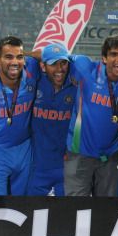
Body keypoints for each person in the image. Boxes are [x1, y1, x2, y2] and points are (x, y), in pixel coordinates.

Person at [63, 36, 118, 197]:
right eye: (113, 54)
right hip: (79, 154)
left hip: (110, 157)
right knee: (75, 210)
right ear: (104, 58)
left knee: (106, 211)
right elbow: (54, 55)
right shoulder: (85, 67)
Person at [0, 36, 39, 195]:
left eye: (19, 57)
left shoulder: (31, 70)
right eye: (8, 57)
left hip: (24, 150)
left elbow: (46, 54)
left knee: (20, 207)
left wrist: (24, 53)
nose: (15, 62)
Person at [26, 43, 76, 196]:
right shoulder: (35, 80)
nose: (60, 69)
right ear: (43, 66)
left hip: (66, 166)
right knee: (31, 211)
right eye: (53, 64)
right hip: (37, 166)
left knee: (65, 215)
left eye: (63, 63)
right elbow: (18, 57)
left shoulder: (75, 83)